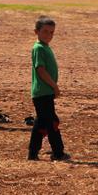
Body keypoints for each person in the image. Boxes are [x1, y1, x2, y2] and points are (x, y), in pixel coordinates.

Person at [28, 16, 70, 161]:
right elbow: (41, 70)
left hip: (44, 92)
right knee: (52, 122)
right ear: (36, 32)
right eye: (45, 32)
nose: (49, 35)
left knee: (42, 123)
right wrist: (54, 86)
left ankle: (33, 153)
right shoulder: (39, 48)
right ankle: (58, 153)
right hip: (42, 92)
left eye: (52, 33)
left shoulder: (45, 47)